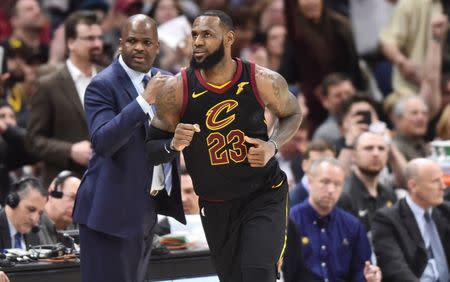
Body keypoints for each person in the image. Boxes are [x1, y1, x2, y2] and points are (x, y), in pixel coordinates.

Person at [145, 10, 302, 282]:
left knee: (257, 272)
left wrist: (271, 146)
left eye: (207, 35)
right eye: (195, 35)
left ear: (229, 39)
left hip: (263, 195)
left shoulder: (262, 79)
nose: (198, 42)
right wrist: (172, 144)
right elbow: (150, 148)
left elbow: (293, 113)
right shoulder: (176, 89)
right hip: (215, 205)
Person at [72, 14, 185, 282]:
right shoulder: (103, 84)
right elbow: (102, 142)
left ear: (157, 47)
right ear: (121, 44)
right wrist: (143, 101)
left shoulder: (167, 81)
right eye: (132, 41)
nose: (139, 47)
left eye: (147, 42)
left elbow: (163, 142)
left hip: (146, 210)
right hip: (108, 215)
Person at [25, 10, 104, 187]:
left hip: (106, 182)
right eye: (90, 39)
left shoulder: (110, 78)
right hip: (63, 185)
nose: (97, 44)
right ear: (71, 43)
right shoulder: (48, 85)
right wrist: (69, 150)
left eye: (99, 37)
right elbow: (33, 141)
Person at [283, 157, 381, 282]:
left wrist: (369, 277)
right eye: (325, 182)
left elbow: (361, 270)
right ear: (310, 182)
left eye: (337, 184)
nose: (331, 190)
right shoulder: (290, 221)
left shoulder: (353, 225)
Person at [372, 158, 450, 281]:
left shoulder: (445, 211)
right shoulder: (387, 220)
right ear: (413, 186)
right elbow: (395, 269)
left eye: (442, 179)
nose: (443, 186)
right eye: (435, 181)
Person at [339, 131, 397, 232]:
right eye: (368, 148)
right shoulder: (344, 195)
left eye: (381, 149)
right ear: (354, 155)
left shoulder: (390, 194)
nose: (376, 154)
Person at [0, 177, 47, 250]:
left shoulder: (34, 235)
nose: (35, 219)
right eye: (31, 209)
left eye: (40, 213)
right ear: (13, 201)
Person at [289, 138, 335, 207]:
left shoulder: (341, 199)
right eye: (316, 163)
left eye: (328, 163)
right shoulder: (291, 201)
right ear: (304, 165)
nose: (323, 169)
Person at [38, 170, 80, 245]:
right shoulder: (32, 223)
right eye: (72, 197)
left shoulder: (78, 226)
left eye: (80, 201)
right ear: (52, 193)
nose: (76, 206)